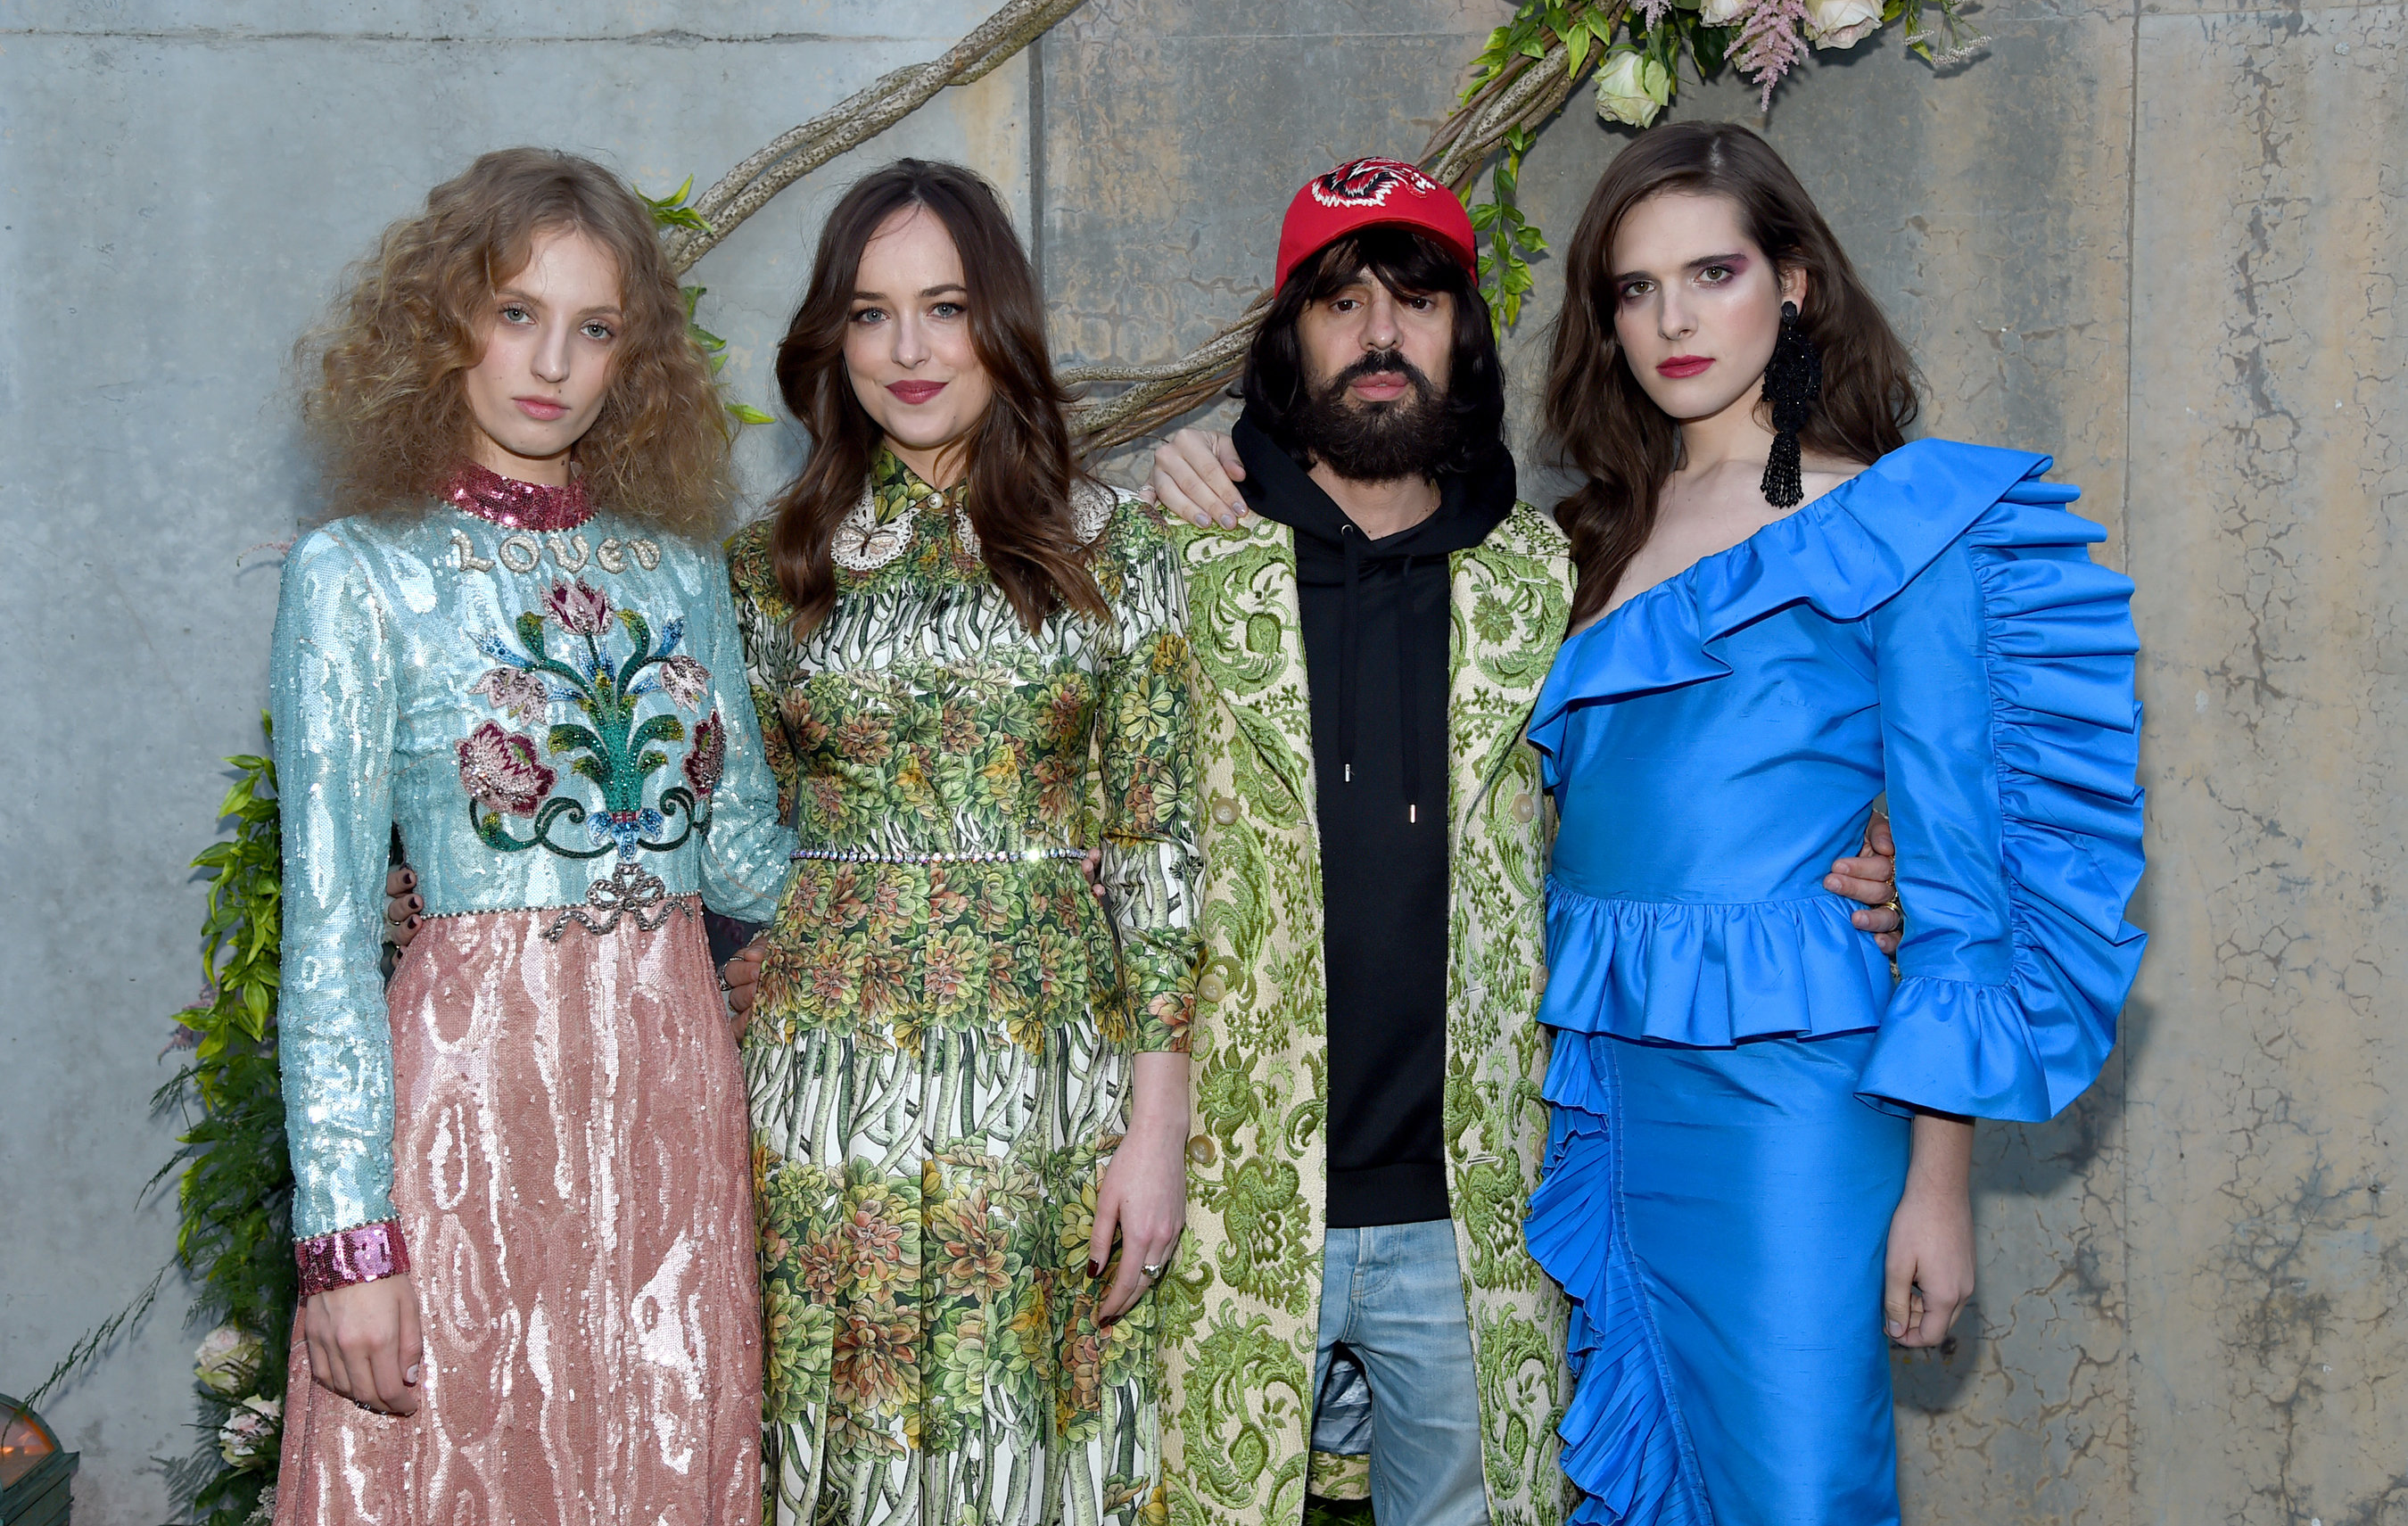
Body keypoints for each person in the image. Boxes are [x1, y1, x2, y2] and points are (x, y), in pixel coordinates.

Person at [1134, 160, 1905, 1526]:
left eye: (1418, 302)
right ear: (1286, 339)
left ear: (1467, 338)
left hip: (1484, 1212)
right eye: (1341, 301)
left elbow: (1701, 775)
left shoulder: (1561, 579)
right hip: (1235, 1209)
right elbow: (1115, 848)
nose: (1380, 334)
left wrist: (1875, 846)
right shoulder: (1188, 563)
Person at [1521, 121, 2148, 1524]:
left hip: (1797, 1094)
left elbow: (1957, 878)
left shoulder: (1901, 518)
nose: (1674, 318)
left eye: (1713, 271)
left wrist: (1941, 1182)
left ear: (1794, 283)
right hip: (1605, 1086)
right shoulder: (1594, 532)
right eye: (1635, 288)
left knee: (1800, 1489)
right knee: (1649, 1476)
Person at [269, 148, 788, 1524]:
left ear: (636, 359)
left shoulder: (682, 570)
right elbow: (322, 940)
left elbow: (747, 867)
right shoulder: (357, 571)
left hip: (675, 1125)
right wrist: (346, 1241)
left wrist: (998, 849)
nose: (552, 360)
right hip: (465, 1141)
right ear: (445, 323)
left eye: (595, 326)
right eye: (516, 313)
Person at [723, 160, 1202, 1526]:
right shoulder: (767, 566)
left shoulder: (1115, 549)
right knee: (836, 1437)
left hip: (1048, 1079)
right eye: (871, 315)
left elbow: (1161, 843)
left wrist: (1155, 1119)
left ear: (1002, 323)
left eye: (945, 307)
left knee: (1029, 1444)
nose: (911, 350)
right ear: (834, 339)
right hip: (822, 1089)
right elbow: (726, 835)